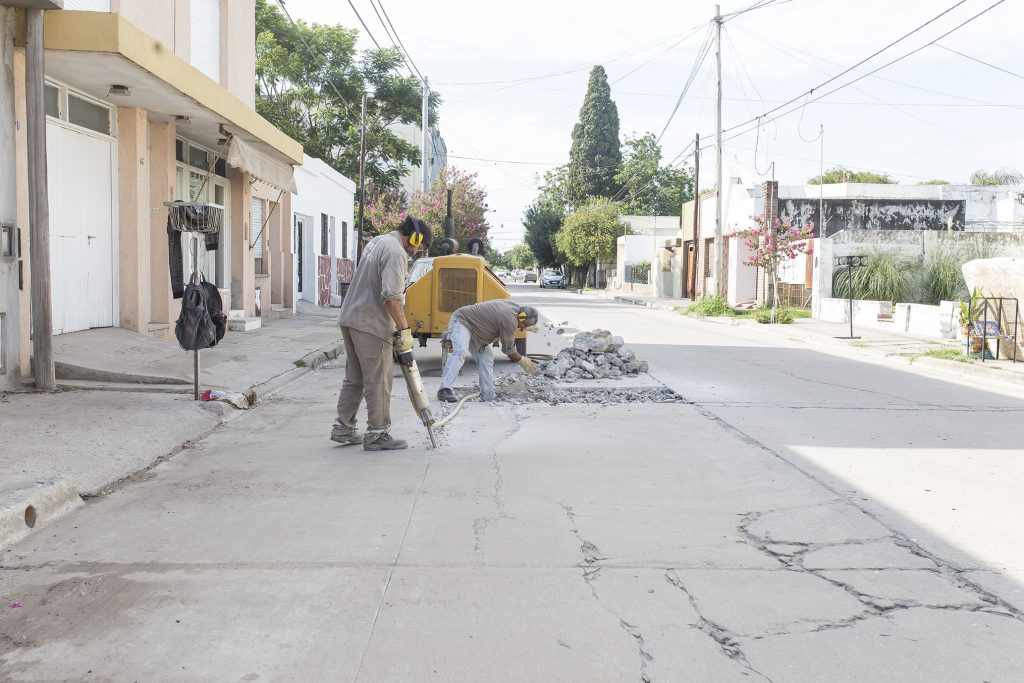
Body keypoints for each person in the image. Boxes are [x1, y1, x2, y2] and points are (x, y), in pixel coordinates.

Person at [332, 216, 431, 451]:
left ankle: (343, 428)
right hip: (371, 323)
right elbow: (392, 298)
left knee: (354, 378)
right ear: (415, 237)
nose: (416, 251)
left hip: (351, 317)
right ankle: (377, 434)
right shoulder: (397, 253)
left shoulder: (379, 240)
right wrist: (405, 330)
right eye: (419, 246)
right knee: (378, 381)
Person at [437, 300, 538, 403]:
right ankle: (444, 389)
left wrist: (523, 325)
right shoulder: (509, 318)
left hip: (477, 333)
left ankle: (488, 394)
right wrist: (522, 361)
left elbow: (503, 323)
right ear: (521, 316)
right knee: (460, 351)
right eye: (525, 324)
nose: (523, 328)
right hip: (463, 322)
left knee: (487, 358)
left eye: (526, 327)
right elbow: (509, 350)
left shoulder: (514, 311)